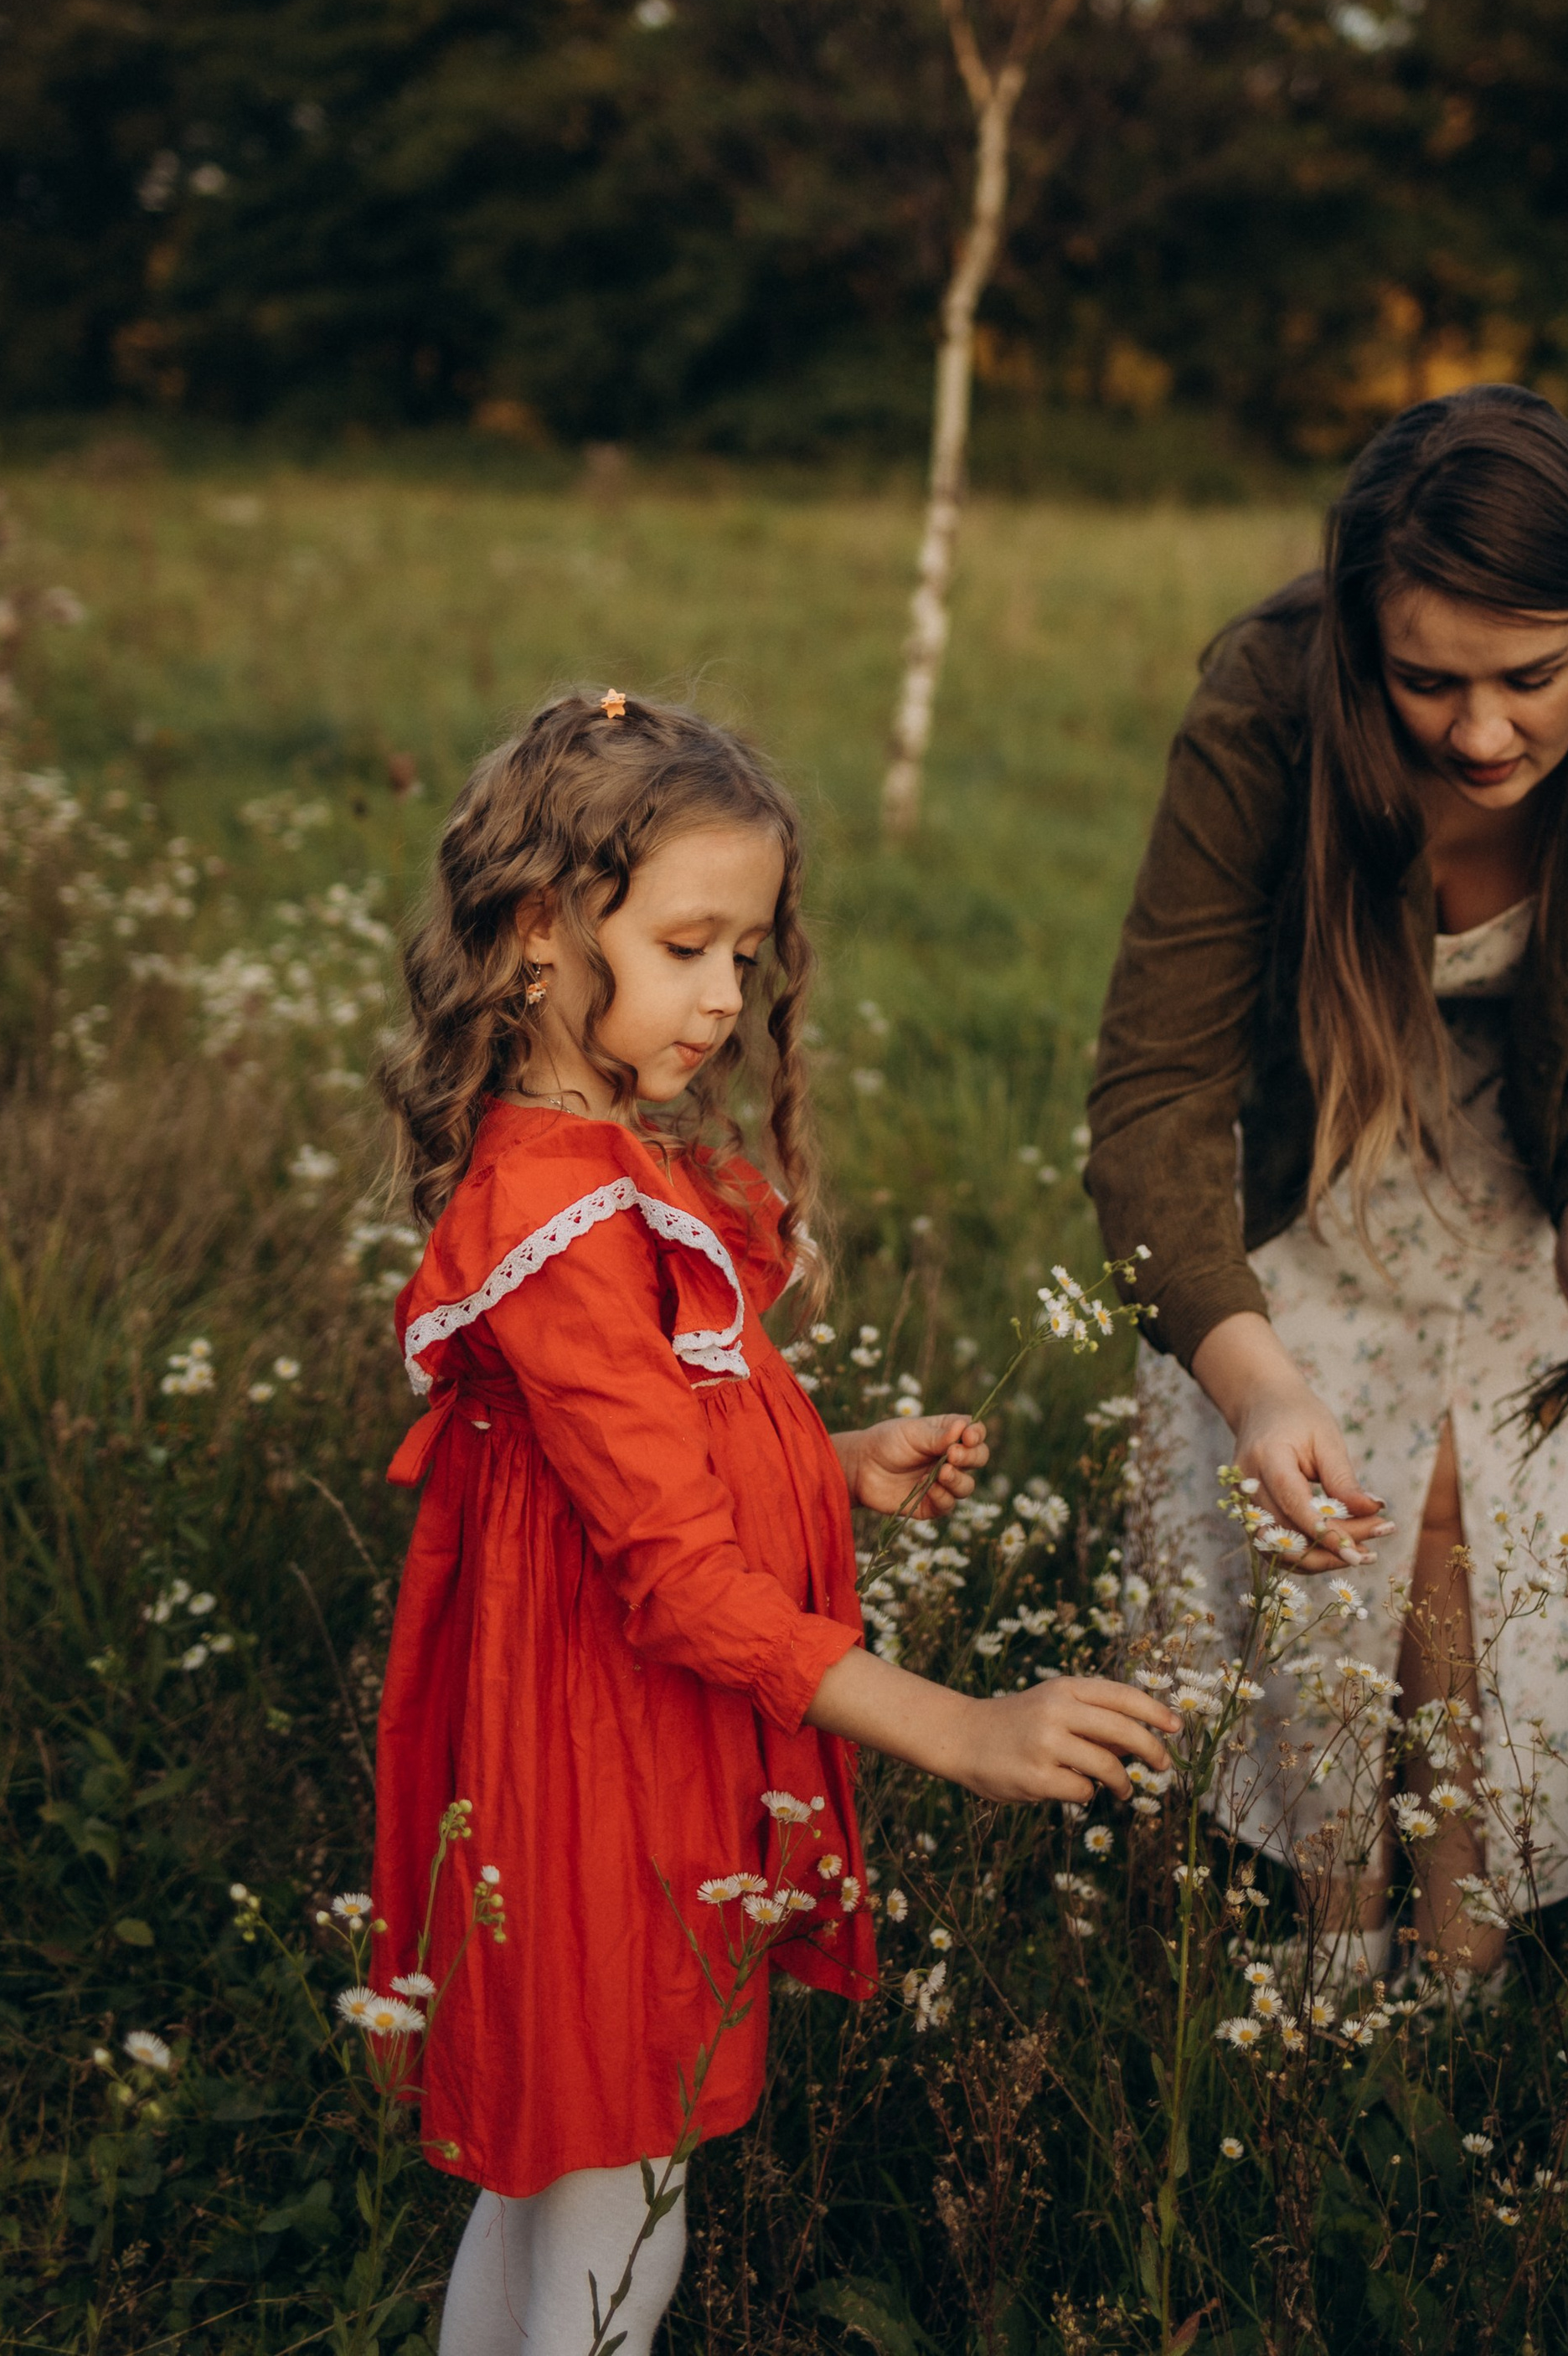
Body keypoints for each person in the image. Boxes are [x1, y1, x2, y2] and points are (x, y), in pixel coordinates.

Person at [371, 690, 1179, 2356]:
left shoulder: (597, 1162)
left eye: (748, 952)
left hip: (589, 1728)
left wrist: (833, 1460)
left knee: (549, 2173)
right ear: (538, 940)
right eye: (686, 947)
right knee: (617, 2183)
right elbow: (669, 1577)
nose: (727, 997)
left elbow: (657, 1448)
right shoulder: (558, 1212)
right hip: (602, 1758)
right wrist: (955, 1727)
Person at [1086, 386, 1568, 1979]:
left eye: (1532, 677)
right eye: (1427, 681)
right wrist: (1249, 1376)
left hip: (1532, 1137)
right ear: (1355, 645)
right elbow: (1158, 1086)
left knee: (1480, 1521)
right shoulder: (1265, 706)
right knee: (1343, 1508)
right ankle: (1329, 1941)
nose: (1480, 733)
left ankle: (1461, 1946)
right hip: (1310, 1130)